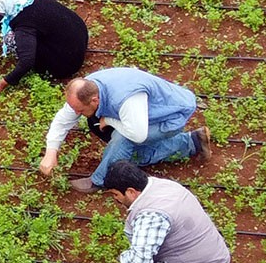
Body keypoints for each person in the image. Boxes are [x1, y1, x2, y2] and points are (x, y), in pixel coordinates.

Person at [101, 160, 256, 263]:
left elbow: (139, 259)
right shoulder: (163, 186)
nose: (115, 199)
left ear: (131, 191)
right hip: (211, 261)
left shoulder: (151, 215)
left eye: (115, 194)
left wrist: (122, 258)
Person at [38, 66, 209, 192]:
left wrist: (111, 120)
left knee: (125, 141)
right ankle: (193, 142)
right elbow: (63, 120)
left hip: (171, 115)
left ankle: (100, 180)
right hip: (145, 111)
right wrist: (51, 152)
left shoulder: (125, 99)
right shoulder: (87, 88)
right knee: (122, 144)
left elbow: (138, 134)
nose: (77, 113)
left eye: (80, 110)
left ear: (94, 101)